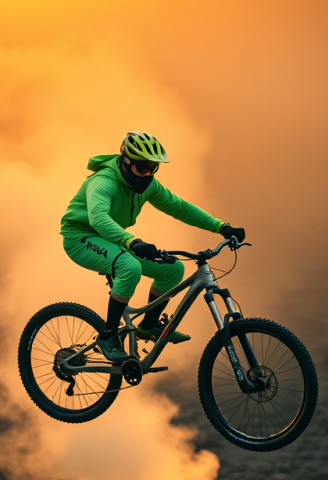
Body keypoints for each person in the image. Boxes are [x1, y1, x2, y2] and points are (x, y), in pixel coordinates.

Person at [60, 131, 245, 362]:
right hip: (80, 238)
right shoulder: (103, 181)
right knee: (130, 266)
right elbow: (98, 218)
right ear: (126, 163)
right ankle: (108, 336)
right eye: (142, 168)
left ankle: (147, 326)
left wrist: (221, 227)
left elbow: (180, 208)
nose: (148, 174)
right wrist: (132, 241)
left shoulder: (149, 185)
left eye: (153, 169)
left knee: (173, 269)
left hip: (113, 238)